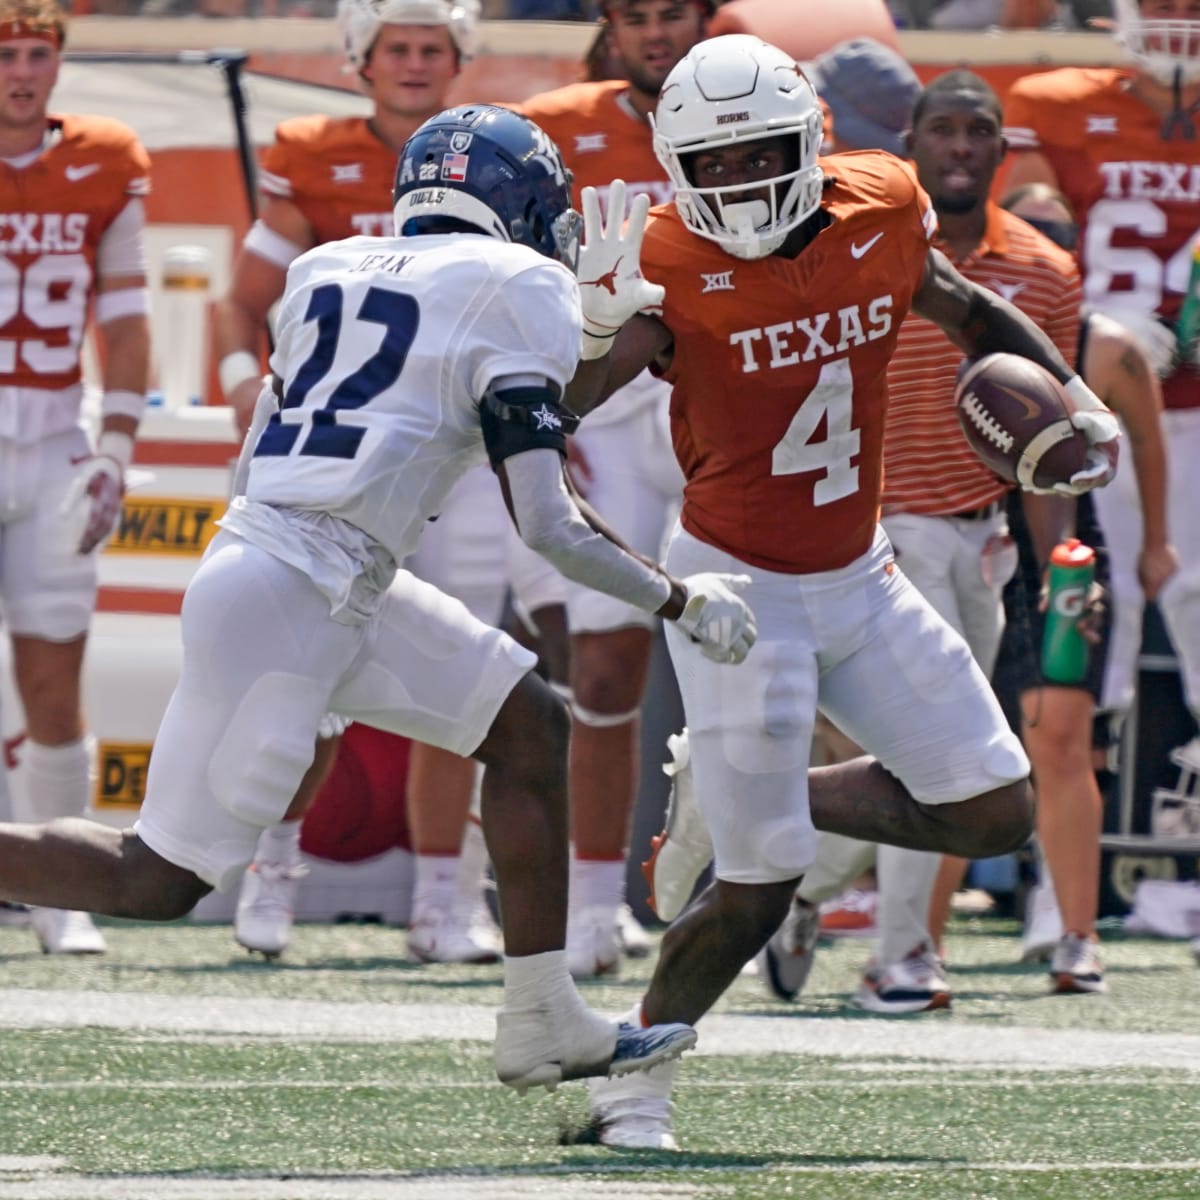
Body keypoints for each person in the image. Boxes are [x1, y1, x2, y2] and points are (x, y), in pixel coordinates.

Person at [0, 102, 765, 1092]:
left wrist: (600, 332)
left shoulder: (327, 269)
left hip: (301, 569)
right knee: (157, 878)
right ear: (522, 207)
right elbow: (548, 518)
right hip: (300, 588)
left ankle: (542, 1020)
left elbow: (432, 412)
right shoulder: (519, 281)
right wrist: (678, 600)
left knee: (530, 726)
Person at [567, 33, 1120, 1151]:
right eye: (707, 163)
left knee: (993, 808)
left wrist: (1066, 395)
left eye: (755, 153)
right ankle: (634, 1086)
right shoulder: (664, 258)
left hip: (860, 570)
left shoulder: (880, 207)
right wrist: (585, 328)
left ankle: (734, 794)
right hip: (737, 579)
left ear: (812, 142)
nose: (732, 182)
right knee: (763, 878)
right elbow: (563, 409)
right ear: (675, 161)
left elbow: (967, 314)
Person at [213, 0, 510, 964]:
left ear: (458, 58)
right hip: (341, 461)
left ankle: (441, 901)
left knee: (462, 674)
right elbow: (244, 303)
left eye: (433, 48)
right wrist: (241, 390)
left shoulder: (489, 154)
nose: (416, 64)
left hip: (451, 455)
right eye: (399, 48)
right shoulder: (314, 153)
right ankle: (271, 868)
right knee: (305, 672)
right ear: (361, 60)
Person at [925, 181, 1175, 991]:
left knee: (1064, 738)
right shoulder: (936, 326)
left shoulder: (1102, 346)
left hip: (1061, 540)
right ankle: (914, 940)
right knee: (945, 748)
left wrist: (1153, 544)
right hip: (952, 528)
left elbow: (1146, 439)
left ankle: (1073, 930)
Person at [514, 0, 712, 978]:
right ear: (610, 24)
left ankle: (782, 876)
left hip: (723, 400)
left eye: (675, 12)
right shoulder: (555, 121)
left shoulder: (757, 94)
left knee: (777, 651)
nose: (657, 33)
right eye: (638, 14)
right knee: (602, 668)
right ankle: (596, 898)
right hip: (614, 412)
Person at [1003, 0, 1200, 793]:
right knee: (1090, 614)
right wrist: (1104, 331)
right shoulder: (1056, 103)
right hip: (1098, 405)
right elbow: (1029, 238)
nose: (1178, 19)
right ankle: (1071, 862)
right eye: (1162, 2)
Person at [0, 0, 152, 955]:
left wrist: (117, 449)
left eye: (37, 53)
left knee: (55, 681)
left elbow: (129, 313)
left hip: (55, 435)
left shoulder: (106, 157)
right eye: (6, 54)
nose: (21, 71)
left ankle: (60, 898)